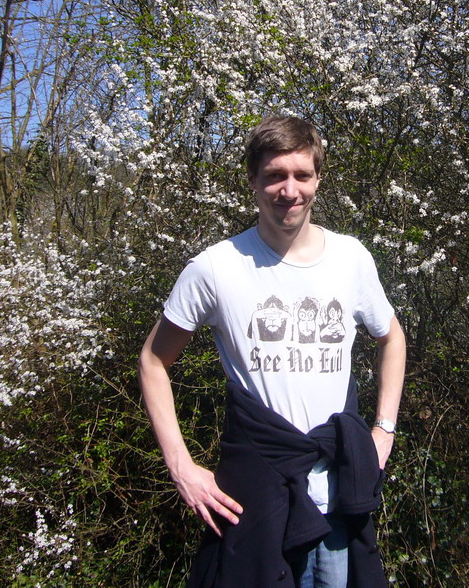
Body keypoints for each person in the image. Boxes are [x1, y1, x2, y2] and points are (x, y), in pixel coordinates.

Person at [139, 115, 407, 588]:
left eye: (302, 175)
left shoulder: (351, 259)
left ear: (318, 178)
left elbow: (392, 337)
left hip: (338, 498)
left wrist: (383, 429)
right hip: (255, 499)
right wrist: (181, 467)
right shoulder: (215, 268)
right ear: (253, 182)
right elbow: (154, 360)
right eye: (275, 176)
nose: (289, 190)